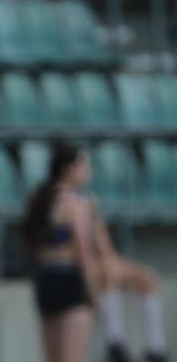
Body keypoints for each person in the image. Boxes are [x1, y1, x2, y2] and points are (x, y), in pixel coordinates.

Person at [23, 142, 168, 362]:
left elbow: (33, 242)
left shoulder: (41, 199)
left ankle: (120, 343)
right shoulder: (76, 203)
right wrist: (92, 292)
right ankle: (118, 342)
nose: (89, 170)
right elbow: (84, 250)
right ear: (68, 168)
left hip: (46, 280)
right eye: (84, 165)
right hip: (70, 280)